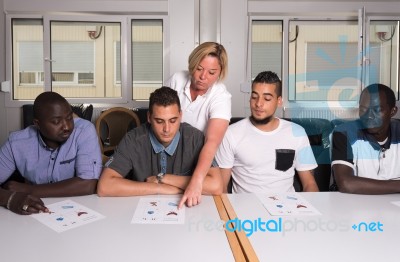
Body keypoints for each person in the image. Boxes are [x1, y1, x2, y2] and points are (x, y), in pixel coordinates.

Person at [97, 87, 223, 199]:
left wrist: (163, 178)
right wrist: (163, 188)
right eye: (159, 121)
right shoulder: (133, 139)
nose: (167, 129)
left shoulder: (194, 138)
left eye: (173, 121)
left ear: (180, 115)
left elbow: (216, 186)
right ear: (149, 117)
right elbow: (104, 186)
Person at [216, 71, 319, 193]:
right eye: (254, 97)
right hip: (246, 209)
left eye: (267, 98)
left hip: (287, 207)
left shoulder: (297, 132)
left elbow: (309, 184)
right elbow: (221, 187)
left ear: (279, 101)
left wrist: (309, 210)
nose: (258, 103)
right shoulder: (230, 133)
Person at [0, 91, 102, 215]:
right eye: (56, 122)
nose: (66, 126)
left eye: (69, 118)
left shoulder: (84, 131)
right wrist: (9, 199)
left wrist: (30, 190)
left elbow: (88, 184)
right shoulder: (16, 143)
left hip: (79, 210)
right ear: (37, 123)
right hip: (35, 211)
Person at [165, 42, 231, 208]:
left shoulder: (221, 96)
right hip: (171, 147)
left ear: (220, 72)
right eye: (199, 68)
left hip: (202, 153)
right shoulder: (177, 79)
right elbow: (160, 113)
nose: (203, 76)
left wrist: (196, 181)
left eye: (211, 72)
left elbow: (212, 142)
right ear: (192, 64)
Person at [331, 83, 400, 194]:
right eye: (363, 109)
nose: (369, 116)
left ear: (393, 111)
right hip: (355, 205)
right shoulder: (344, 133)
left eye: (377, 110)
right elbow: (346, 184)